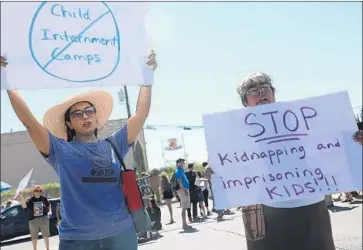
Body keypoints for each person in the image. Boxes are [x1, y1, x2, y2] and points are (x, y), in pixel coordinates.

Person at [1, 52, 157, 250]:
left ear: (96, 116)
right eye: (77, 113)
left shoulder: (114, 144)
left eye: (89, 110)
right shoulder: (59, 149)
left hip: (121, 236)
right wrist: (7, 81)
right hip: (77, 241)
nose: (85, 115)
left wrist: (147, 77)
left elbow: (141, 114)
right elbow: (30, 123)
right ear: (69, 123)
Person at [235, 72, 363, 250]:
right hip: (267, 213)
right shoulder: (235, 133)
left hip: (311, 207)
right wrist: (217, 171)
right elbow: (231, 169)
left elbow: (333, 146)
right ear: (245, 101)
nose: (260, 93)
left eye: (264, 88)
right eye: (253, 90)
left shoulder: (302, 118)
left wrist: (355, 143)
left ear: (273, 93)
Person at [18, 185, 52, 250]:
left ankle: (48, 249)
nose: (38, 192)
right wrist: (21, 196)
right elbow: (24, 206)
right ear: (34, 191)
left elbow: (48, 204)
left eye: (40, 191)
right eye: (36, 191)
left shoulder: (44, 199)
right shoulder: (30, 200)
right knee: (34, 237)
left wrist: (50, 211)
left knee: (46, 235)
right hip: (33, 220)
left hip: (43, 219)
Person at [175, 158, 193, 230]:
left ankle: (185, 223)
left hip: (183, 190)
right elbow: (179, 181)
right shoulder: (179, 171)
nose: (183, 163)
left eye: (183, 162)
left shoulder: (181, 170)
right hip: (183, 190)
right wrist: (184, 189)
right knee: (184, 207)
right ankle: (184, 224)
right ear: (178, 163)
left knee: (185, 207)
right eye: (182, 162)